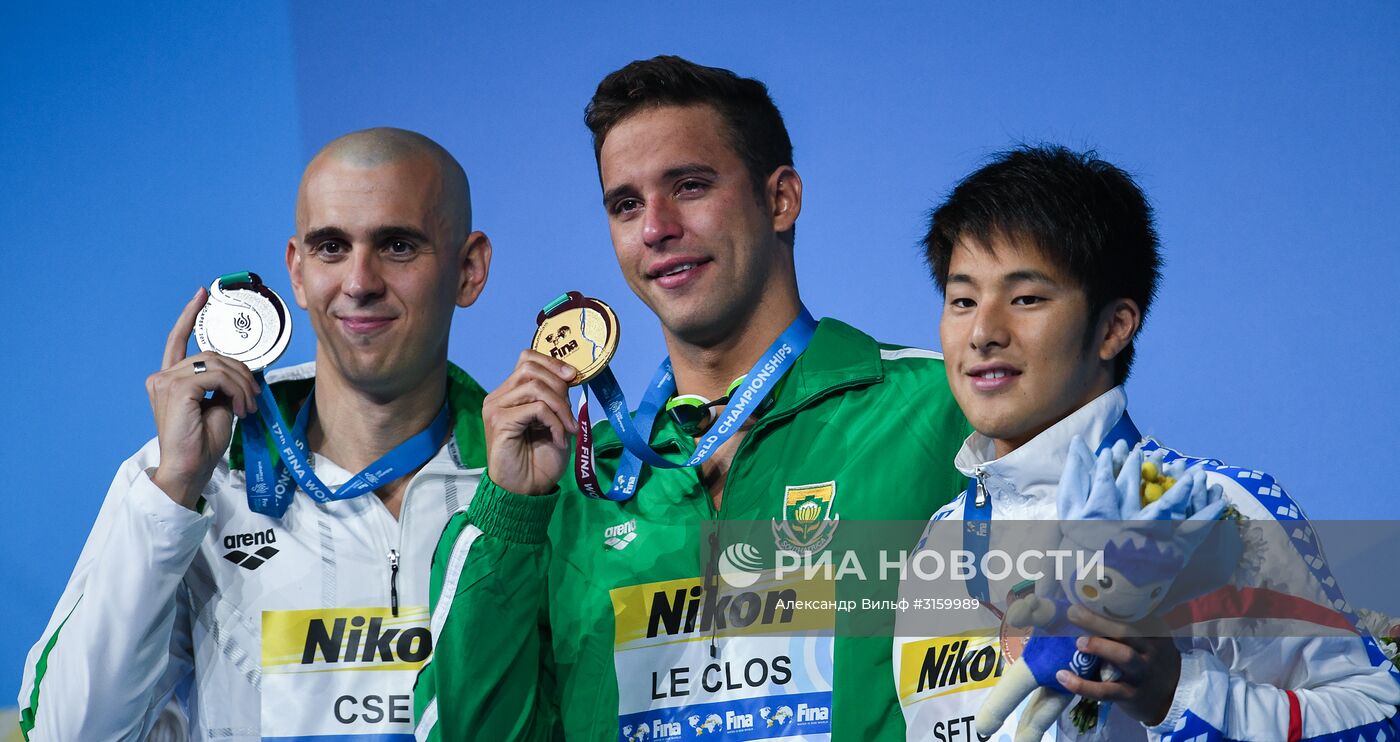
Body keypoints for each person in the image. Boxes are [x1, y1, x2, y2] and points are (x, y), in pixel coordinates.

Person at [415, 56, 969, 741]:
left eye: (690, 186)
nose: (655, 228)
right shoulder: (562, 489)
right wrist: (511, 514)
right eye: (626, 205)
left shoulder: (944, 408)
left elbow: (1084, 656)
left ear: (780, 199)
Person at [894, 145, 1400, 740]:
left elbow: (1382, 715)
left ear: (1114, 326)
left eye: (1026, 298)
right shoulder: (941, 537)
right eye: (962, 300)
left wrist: (1172, 692)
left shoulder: (1215, 509)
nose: (982, 332)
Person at [18, 128, 493, 741]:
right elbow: (64, 735)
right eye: (331, 247)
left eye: (397, 246)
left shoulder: (534, 480)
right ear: (296, 270)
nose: (359, 281)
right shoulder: (195, 478)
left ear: (469, 268)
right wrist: (173, 491)